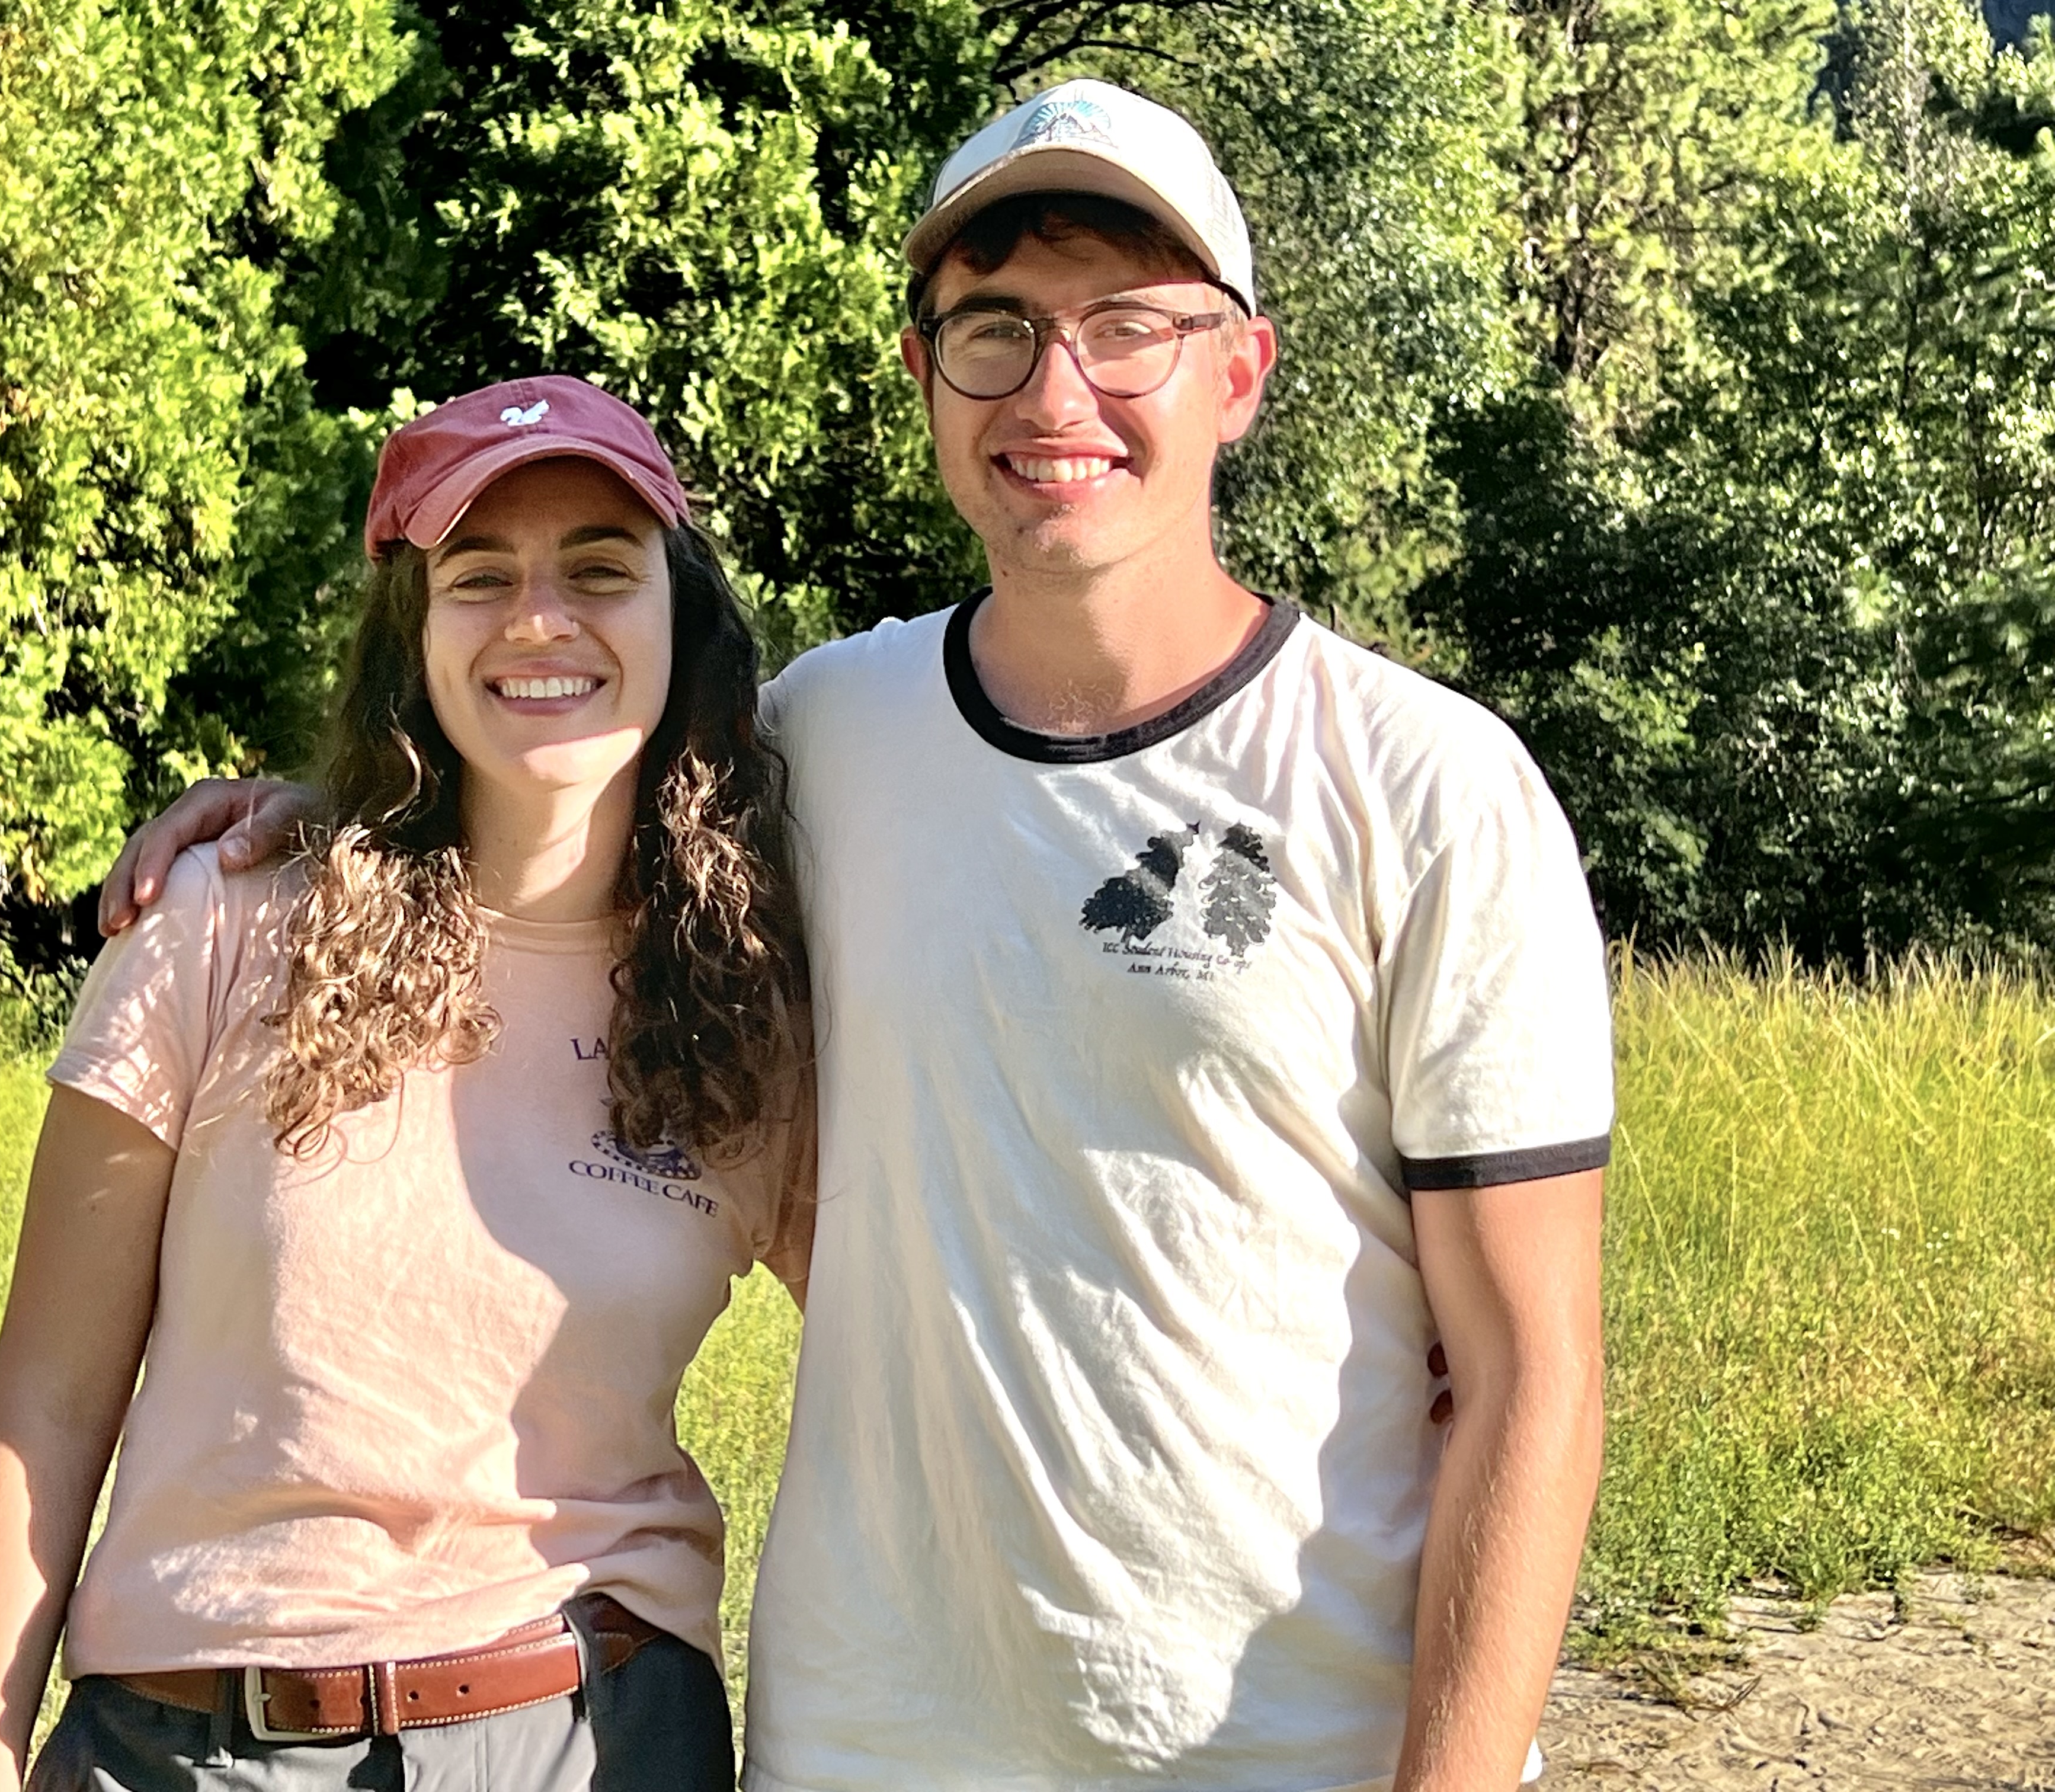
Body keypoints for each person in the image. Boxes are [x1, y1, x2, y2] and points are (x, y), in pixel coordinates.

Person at [100, 79, 1612, 1792]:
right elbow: (545, 767)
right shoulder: (819, 746)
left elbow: (1531, 1374)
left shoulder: (1425, 789)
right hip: (874, 1740)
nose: (1056, 392)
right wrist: (316, 811)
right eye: (996, 329)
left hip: (1287, 1750)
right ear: (924, 375)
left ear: (1241, 373)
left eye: (1130, 328)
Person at [0, 376, 812, 1792]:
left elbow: (927, 1356)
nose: (540, 618)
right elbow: (45, 1399)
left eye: (600, 569)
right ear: (414, 632)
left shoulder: (746, 1007)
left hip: (596, 1738)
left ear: (680, 614)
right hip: (191, 1749)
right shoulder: (223, 922)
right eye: (480, 576)